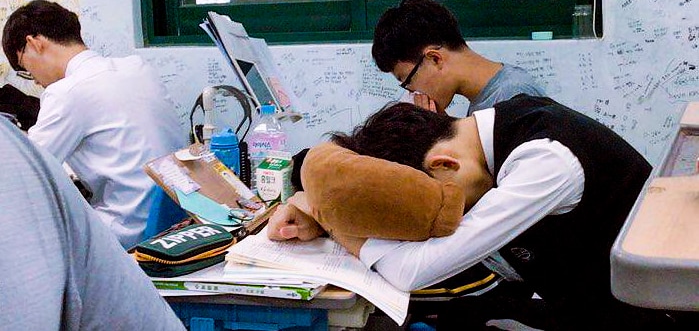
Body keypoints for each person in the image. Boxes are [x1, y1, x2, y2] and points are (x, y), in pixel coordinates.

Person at [270, 95, 681, 330]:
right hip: (573, 295)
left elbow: (412, 270)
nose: (444, 214)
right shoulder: (497, 125)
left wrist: (330, 219)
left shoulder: (546, 163)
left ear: (444, 166)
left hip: (630, 319)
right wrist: (305, 198)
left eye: (436, 202)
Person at [2, 0, 184, 248]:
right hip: (175, 222)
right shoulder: (137, 68)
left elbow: (22, 173)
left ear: (34, 43)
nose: (34, 81)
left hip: (126, 232)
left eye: (26, 70)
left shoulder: (67, 92)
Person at [0, 117, 185, 331]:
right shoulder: (18, 150)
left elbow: (48, 149)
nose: (36, 81)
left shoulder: (62, 98)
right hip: (154, 233)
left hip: (126, 236)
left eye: (33, 79)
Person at [372, 0, 544, 114]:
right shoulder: (485, 99)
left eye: (408, 81)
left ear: (434, 59)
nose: (412, 93)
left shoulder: (514, 97)